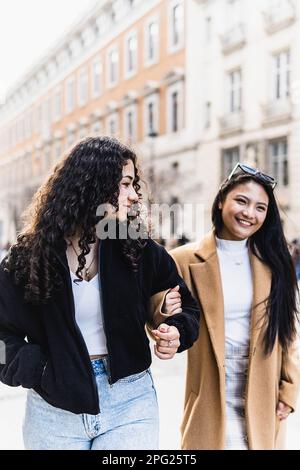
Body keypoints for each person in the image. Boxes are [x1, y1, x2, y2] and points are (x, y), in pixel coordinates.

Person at [0, 136, 199, 450]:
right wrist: (37, 369)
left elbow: (186, 305)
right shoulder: (28, 257)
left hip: (130, 401)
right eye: (125, 184)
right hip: (54, 408)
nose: (135, 195)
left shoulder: (137, 245)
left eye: (135, 184)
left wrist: (177, 330)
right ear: (92, 185)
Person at [152, 162, 300, 450]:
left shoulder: (274, 261)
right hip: (209, 391)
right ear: (221, 201)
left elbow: (288, 332)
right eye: (241, 201)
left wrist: (289, 388)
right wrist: (164, 316)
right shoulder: (182, 259)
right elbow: (156, 313)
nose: (249, 213)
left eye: (260, 207)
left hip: (264, 391)